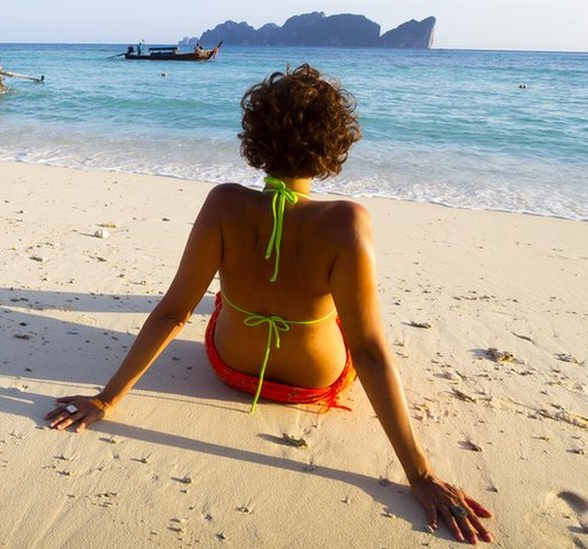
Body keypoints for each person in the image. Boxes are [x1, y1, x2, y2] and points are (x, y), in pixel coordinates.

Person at [45, 64, 494, 544]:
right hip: (314, 383)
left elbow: (173, 313)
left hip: (231, 368)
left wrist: (106, 399)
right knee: (345, 317)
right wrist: (420, 474)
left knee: (222, 298)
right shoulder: (348, 222)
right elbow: (368, 352)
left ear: (254, 141)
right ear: (335, 147)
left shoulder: (222, 204)